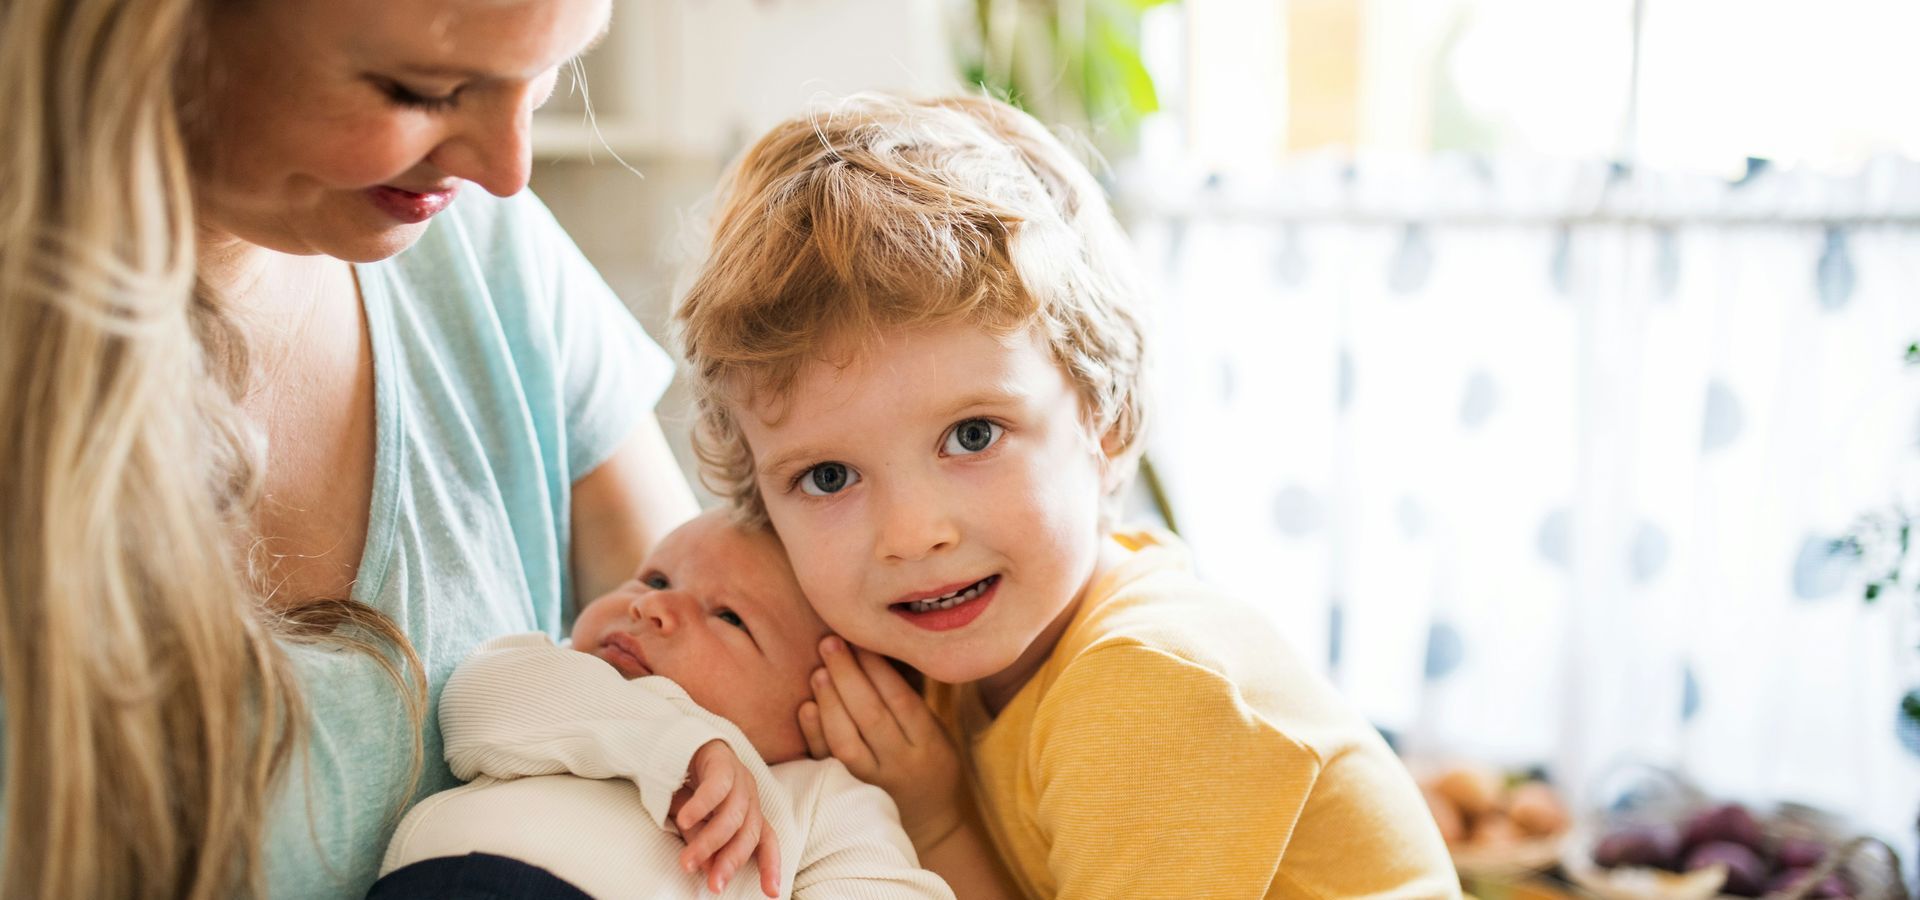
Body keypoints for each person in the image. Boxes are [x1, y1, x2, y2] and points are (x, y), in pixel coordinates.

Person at [0, 0, 773, 896]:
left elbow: (730, 691)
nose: (507, 170)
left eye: (553, 70)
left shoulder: (488, 253)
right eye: (423, 92)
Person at [674, 93, 1462, 898]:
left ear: (1105, 421)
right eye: (829, 477)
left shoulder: (1143, 687)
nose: (911, 535)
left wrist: (936, 822)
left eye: (974, 435)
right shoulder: (944, 651)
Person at [374, 509, 954, 900]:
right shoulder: (554, 676)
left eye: (729, 617)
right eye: (653, 579)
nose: (654, 608)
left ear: (826, 702)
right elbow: (473, 703)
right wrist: (673, 744)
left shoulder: (819, 795)